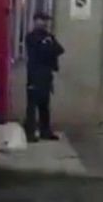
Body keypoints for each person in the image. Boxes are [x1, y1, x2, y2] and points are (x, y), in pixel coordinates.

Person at [24, 12, 64, 142]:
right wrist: (46, 45)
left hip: (46, 75)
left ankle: (45, 131)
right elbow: (40, 52)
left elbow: (59, 50)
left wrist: (47, 44)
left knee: (44, 105)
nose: (45, 23)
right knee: (32, 105)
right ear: (35, 21)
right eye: (42, 20)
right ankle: (29, 132)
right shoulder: (31, 37)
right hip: (35, 74)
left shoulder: (49, 36)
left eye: (46, 21)